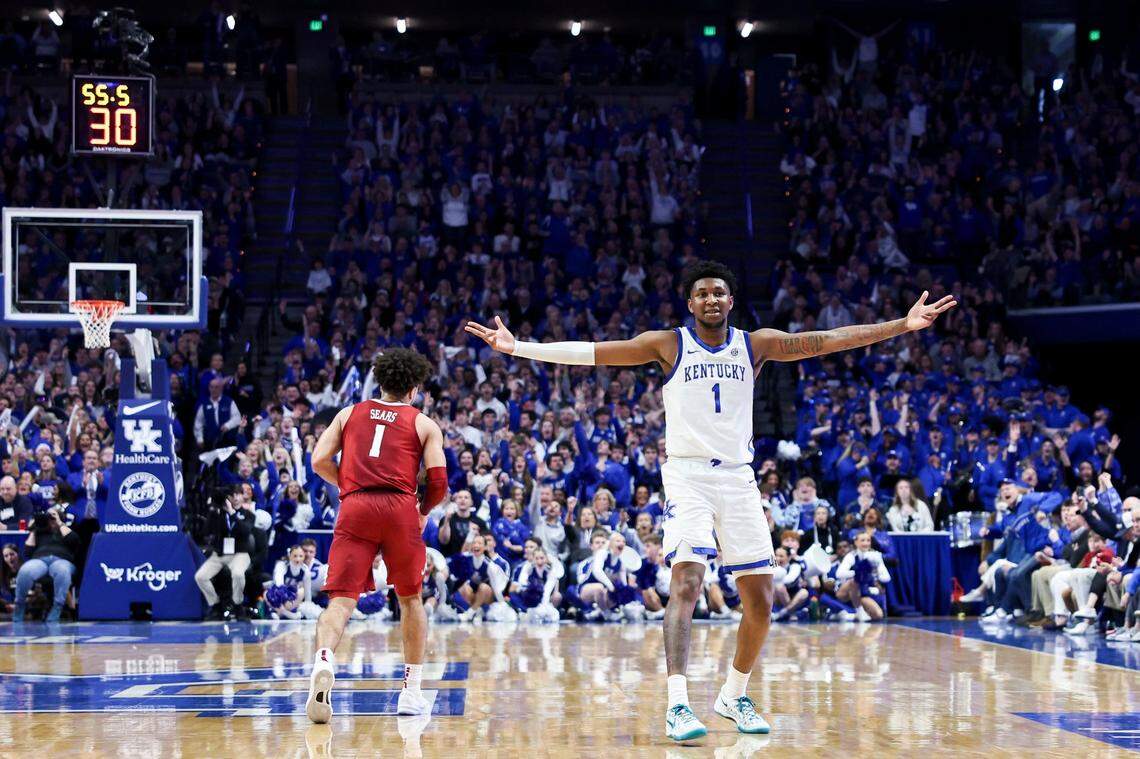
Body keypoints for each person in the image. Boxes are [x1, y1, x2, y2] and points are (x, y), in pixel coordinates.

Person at [466, 258, 955, 740]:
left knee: (761, 601)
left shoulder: (755, 345)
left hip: (740, 480)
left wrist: (902, 326)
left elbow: (826, 341)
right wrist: (519, 348)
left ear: (731, 300)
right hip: (687, 476)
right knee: (687, 581)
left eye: (718, 292)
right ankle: (678, 703)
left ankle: (733, 693)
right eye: (701, 293)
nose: (711, 299)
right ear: (690, 302)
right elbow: (596, 351)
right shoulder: (668, 344)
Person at [305, 348, 448, 724]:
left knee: (341, 599)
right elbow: (438, 481)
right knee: (410, 598)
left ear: (380, 382)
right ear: (414, 389)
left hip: (356, 508)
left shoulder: (348, 413)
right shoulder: (424, 424)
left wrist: (349, 488)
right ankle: (411, 691)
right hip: (400, 508)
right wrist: (422, 512)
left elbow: (319, 459)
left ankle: (324, 660)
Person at [194, 484, 256, 620]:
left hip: (240, 554)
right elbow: (206, 532)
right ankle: (215, 605)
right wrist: (212, 511)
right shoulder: (219, 514)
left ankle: (238, 605)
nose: (235, 498)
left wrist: (233, 514)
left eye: (238, 494)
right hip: (220, 554)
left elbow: (245, 531)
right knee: (200, 576)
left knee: (238, 574)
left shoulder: (248, 515)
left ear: (242, 496)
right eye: (231, 495)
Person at [14, 506, 81, 621]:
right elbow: (27, 552)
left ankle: (57, 607)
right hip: (40, 560)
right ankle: (19, 605)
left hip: (62, 560)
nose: (49, 520)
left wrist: (59, 523)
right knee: (25, 570)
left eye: (52, 517)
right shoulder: (40, 533)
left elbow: (74, 541)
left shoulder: (65, 531)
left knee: (62, 570)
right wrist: (35, 527)